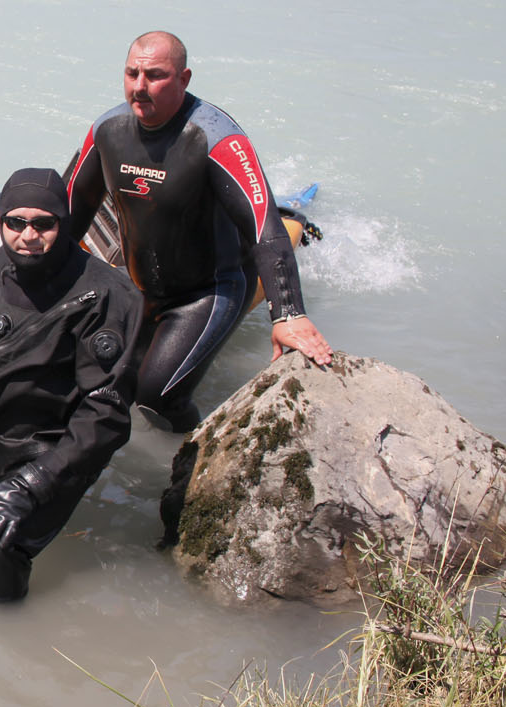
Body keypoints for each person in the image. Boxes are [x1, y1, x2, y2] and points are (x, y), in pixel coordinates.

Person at [62, 31, 333, 432]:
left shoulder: (216, 137)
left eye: (155, 75)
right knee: (102, 383)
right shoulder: (107, 129)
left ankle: (193, 454)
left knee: (156, 397)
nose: (140, 86)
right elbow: (70, 212)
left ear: (184, 78)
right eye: (132, 74)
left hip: (209, 291)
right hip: (140, 285)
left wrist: (289, 314)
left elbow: (265, 226)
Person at [0, 169, 143, 601]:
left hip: (56, 450)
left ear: (64, 223)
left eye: (43, 224)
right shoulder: (1, 266)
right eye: (15, 222)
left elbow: (106, 414)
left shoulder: (107, 296)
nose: (28, 236)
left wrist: (34, 483)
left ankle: (8, 633)